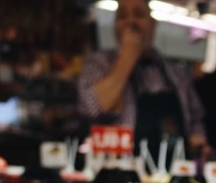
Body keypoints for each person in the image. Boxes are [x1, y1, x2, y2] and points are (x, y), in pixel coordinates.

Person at [77, 0, 208, 165]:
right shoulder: (100, 63)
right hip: (119, 172)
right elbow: (92, 107)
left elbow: (196, 117)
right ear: (115, 25)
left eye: (138, 15)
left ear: (153, 24)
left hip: (172, 172)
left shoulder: (174, 72)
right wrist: (128, 56)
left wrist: (198, 139)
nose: (131, 22)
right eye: (123, 17)